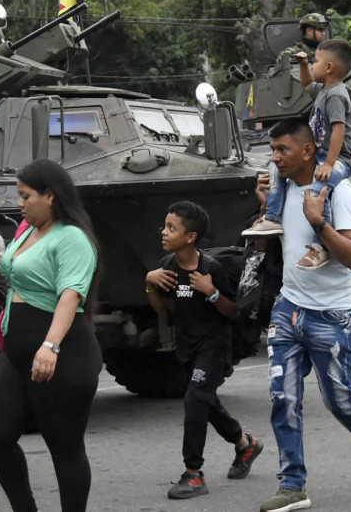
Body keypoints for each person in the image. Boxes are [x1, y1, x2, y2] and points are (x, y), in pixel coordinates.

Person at [254, 116, 351, 512]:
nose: (275, 158)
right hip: (289, 309)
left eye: (282, 149)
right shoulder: (282, 190)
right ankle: (292, 486)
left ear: (307, 150)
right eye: (272, 150)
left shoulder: (339, 192)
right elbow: (276, 238)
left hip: (332, 315)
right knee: (282, 398)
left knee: (339, 399)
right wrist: (265, 207)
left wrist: (318, 221)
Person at [0, 158, 103, 512]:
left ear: (49, 195)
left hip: (61, 358)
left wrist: (50, 346)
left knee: (65, 449)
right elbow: (22, 275)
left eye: (25, 195)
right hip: (21, 358)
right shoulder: (30, 230)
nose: (20, 203)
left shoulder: (72, 237)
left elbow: (70, 296)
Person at [145, 200, 263, 500]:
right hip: (187, 346)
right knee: (205, 401)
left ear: (191, 237)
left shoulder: (212, 268)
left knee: (195, 400)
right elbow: (163, 309)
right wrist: (150, 284)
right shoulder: (167, 265)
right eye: (165, 225)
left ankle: (193, 473)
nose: (164, 232)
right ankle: (245, 443)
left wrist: (211, 293)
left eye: (172, 228)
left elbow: (234, 312)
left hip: (213, 345)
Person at [246, 39, 351, 273]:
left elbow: (339, 130)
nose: (313, 65)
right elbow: (307, 84)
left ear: (329, 68)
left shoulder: (337, 95)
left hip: (340, 159)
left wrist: (329, 163)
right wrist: (305, 64)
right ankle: (273, 219)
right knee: (275, 169)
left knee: (320, 186)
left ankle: (320, 246)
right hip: (320, 153)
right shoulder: (323, 90)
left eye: (316, 61)